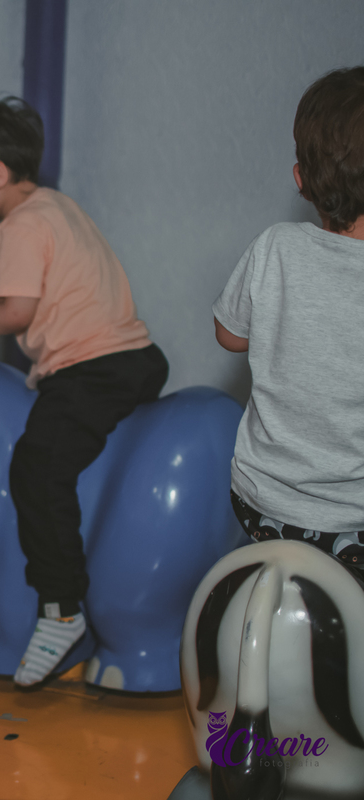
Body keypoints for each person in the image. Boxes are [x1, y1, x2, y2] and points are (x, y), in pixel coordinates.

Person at [0, 98, 168, 687]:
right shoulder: (53, 208)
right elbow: (32, 297)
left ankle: (60, 611)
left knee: (36, 469)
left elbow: (16, 314)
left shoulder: (16, 227)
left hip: (93, 368)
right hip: (135, 360)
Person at [213, 66, 364, 572]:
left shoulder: (277, 245)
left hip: (264, 505)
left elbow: (230, 336)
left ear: (301, 178)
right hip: (354, 520)